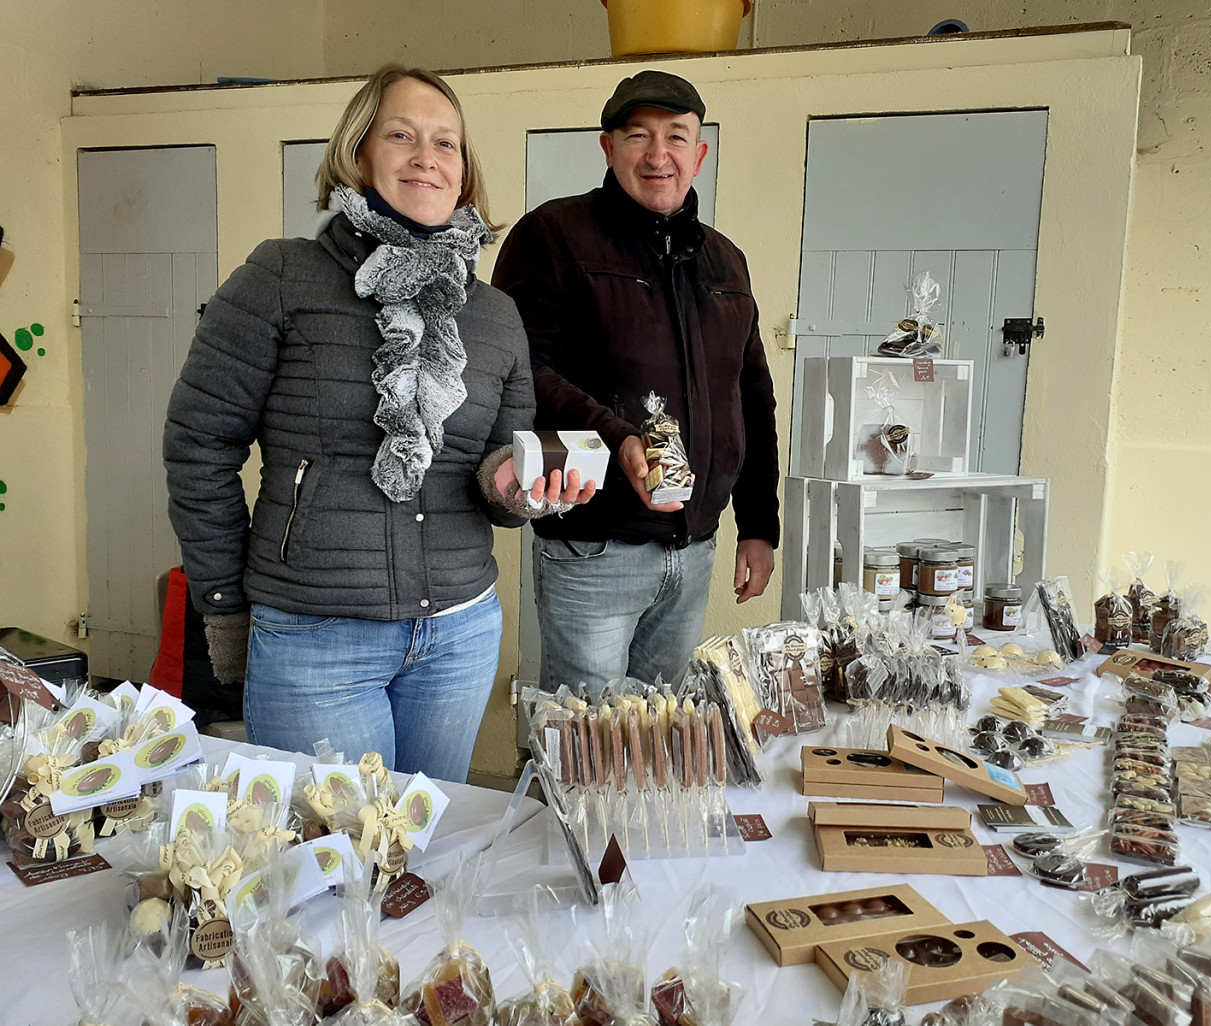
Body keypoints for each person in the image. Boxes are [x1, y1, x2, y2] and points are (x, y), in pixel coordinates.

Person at [163, 65, 594, 783]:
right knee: (330, 869)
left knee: (422, 857)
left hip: (459, 633)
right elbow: (198, 444)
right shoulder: (279, 277)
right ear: (359, 153)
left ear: (464, 172)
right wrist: (222, 606)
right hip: (313, 638)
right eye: (402, 135)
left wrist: (520, 484)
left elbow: (496, 466)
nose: (427, 156)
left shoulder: (493, 315)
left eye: (446, 144)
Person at [492, 69, 780, 693]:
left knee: (656, 747)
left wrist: (758, 525)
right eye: (638, 136)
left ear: (699, 154)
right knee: (587, 745)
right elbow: (521, 372)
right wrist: (618, 437)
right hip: (594, 545)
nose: (658, 155)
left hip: (694, 545)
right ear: (607, 147)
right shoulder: (554, 236)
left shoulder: (727, 261)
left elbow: (751, 398)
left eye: (677, 137)